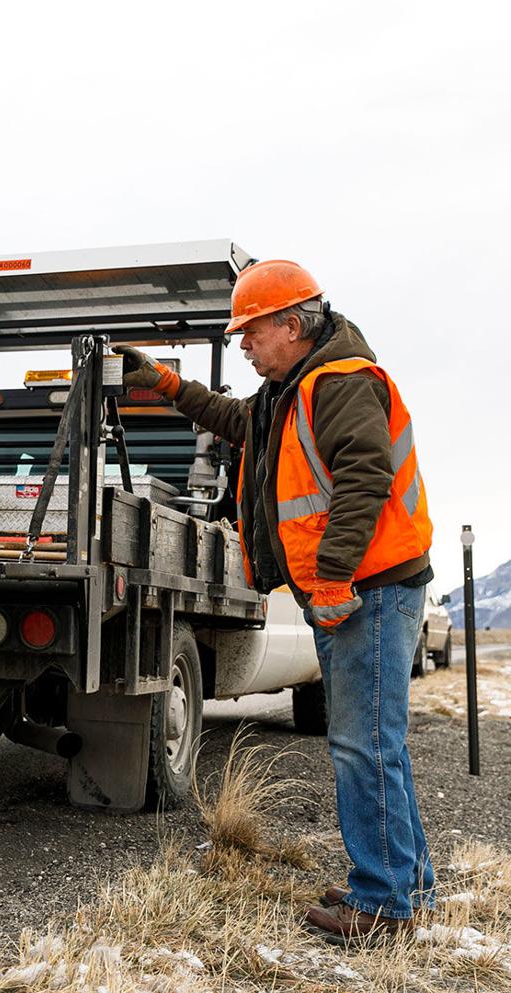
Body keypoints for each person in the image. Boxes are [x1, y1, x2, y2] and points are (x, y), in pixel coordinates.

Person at [117, 260, 434, 943]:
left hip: (370, 588)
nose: (243, 345)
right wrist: (167, 383)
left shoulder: (338, 382)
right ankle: (406, 884)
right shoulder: (287, 390)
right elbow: (235, 419)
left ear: (292, 325)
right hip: (365, 586)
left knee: (363, 747)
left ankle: (382, 905)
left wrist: (331, 578)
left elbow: (364, 477)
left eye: (251, 333)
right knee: (380, 746)